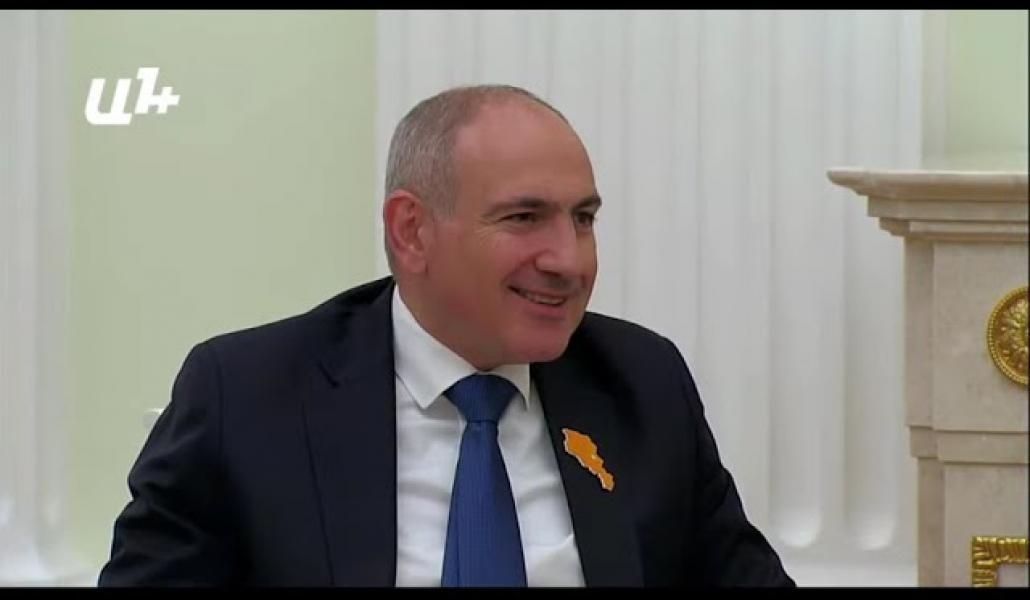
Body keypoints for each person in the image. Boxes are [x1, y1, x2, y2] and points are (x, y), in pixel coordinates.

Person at [98, 85, 794, 587]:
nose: (570, 260)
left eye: (583, 219)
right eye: (524, 218)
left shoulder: (642, 383)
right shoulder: (248, 394)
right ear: (412, 231)